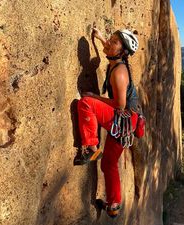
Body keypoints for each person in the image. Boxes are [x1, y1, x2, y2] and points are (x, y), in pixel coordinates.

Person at [73, 27, 140, 218]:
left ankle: (91, 149)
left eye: (114, 42)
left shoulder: (119, 73)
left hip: (124, 119)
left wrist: (95, 96)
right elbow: (110, 49)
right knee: (109, 164)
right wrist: (101, 37)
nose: (109, 43)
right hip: (127, 119)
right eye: (110, 39)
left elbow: (119, 104)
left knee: (86, 103)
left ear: (123, 52)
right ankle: (113, 207)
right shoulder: (117, 60)